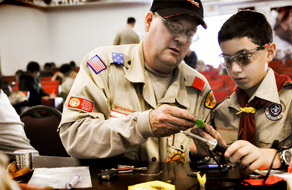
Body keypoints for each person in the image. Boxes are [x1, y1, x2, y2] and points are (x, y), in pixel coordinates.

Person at [59, 0, 215, 164]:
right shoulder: (104, 67)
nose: (182, 39)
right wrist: (142, 125)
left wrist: (199, 156)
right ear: (148, 21)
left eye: (190, 33)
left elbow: (207, 160)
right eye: (173, 26)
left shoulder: (199, 88)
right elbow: (74, 138)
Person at [192, 10, 292, 173]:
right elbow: (216, 162)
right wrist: (202, 153)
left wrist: (277, 157)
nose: (235, 69)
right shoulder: (222, 111)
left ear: (269, 52)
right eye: (227, 60)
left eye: (244, 57)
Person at [0, 75, 37, 153]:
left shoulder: (17, 94)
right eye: (4, 89)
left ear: (11, 88)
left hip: (22, 115)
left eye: (7, 88)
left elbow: (25, 102)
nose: (5, 91)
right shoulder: (5, 97)